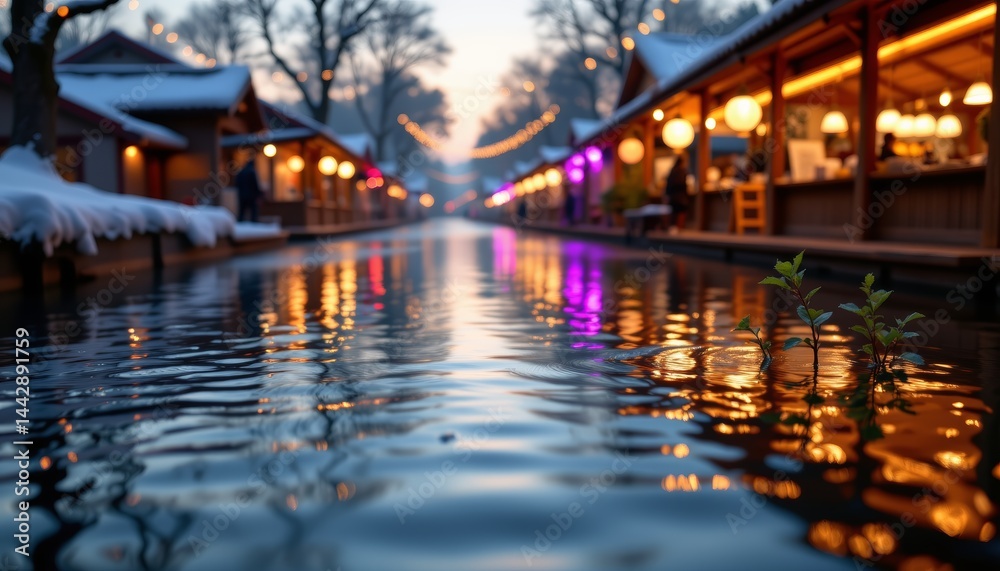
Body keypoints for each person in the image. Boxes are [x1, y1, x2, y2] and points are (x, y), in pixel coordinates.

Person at [665, 155, 690, 234]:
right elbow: (683, 184)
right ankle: (679, 228)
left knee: (673, 213)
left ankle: (673, 228)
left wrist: (667, 195)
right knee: (680, 212)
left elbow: (668, 185)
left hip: (673, 196)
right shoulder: (682, 171)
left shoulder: (672, 171)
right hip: (681, 196)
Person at [235, 159, 263, 223]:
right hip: (251, 196)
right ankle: (254, 224)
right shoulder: (252, 172)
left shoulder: (241, 172)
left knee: (242, 211)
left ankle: (240, 223)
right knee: (253, 211)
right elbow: (255, 184)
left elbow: (237, 183)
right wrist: (258, 194)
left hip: (242, 195)